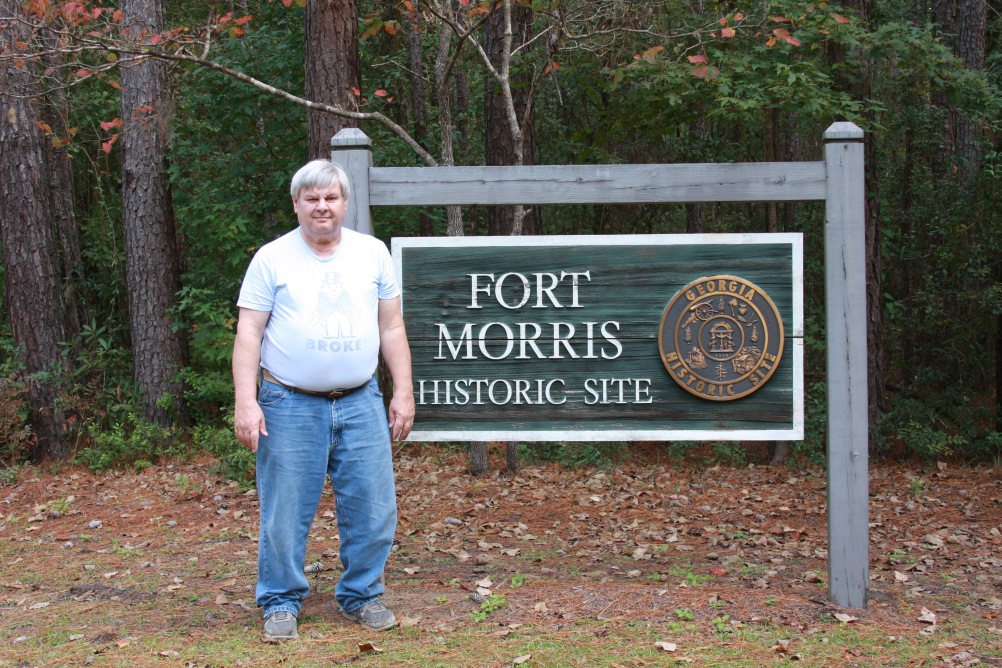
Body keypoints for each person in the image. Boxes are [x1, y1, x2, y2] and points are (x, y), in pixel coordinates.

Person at [232, 159, 414, 641]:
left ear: (345, 203)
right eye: (311, 198)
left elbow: (391, 326)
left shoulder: (372, 253)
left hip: (360, 401)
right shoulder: (272, 258)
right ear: (296, 204)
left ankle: (362, 594)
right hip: (288, 403)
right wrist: (246, 401)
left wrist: (403, 392)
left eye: (330, 197)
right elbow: (249, 331)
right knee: (285, 511)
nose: (322, 206)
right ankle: (279, 600)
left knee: (374, 508)